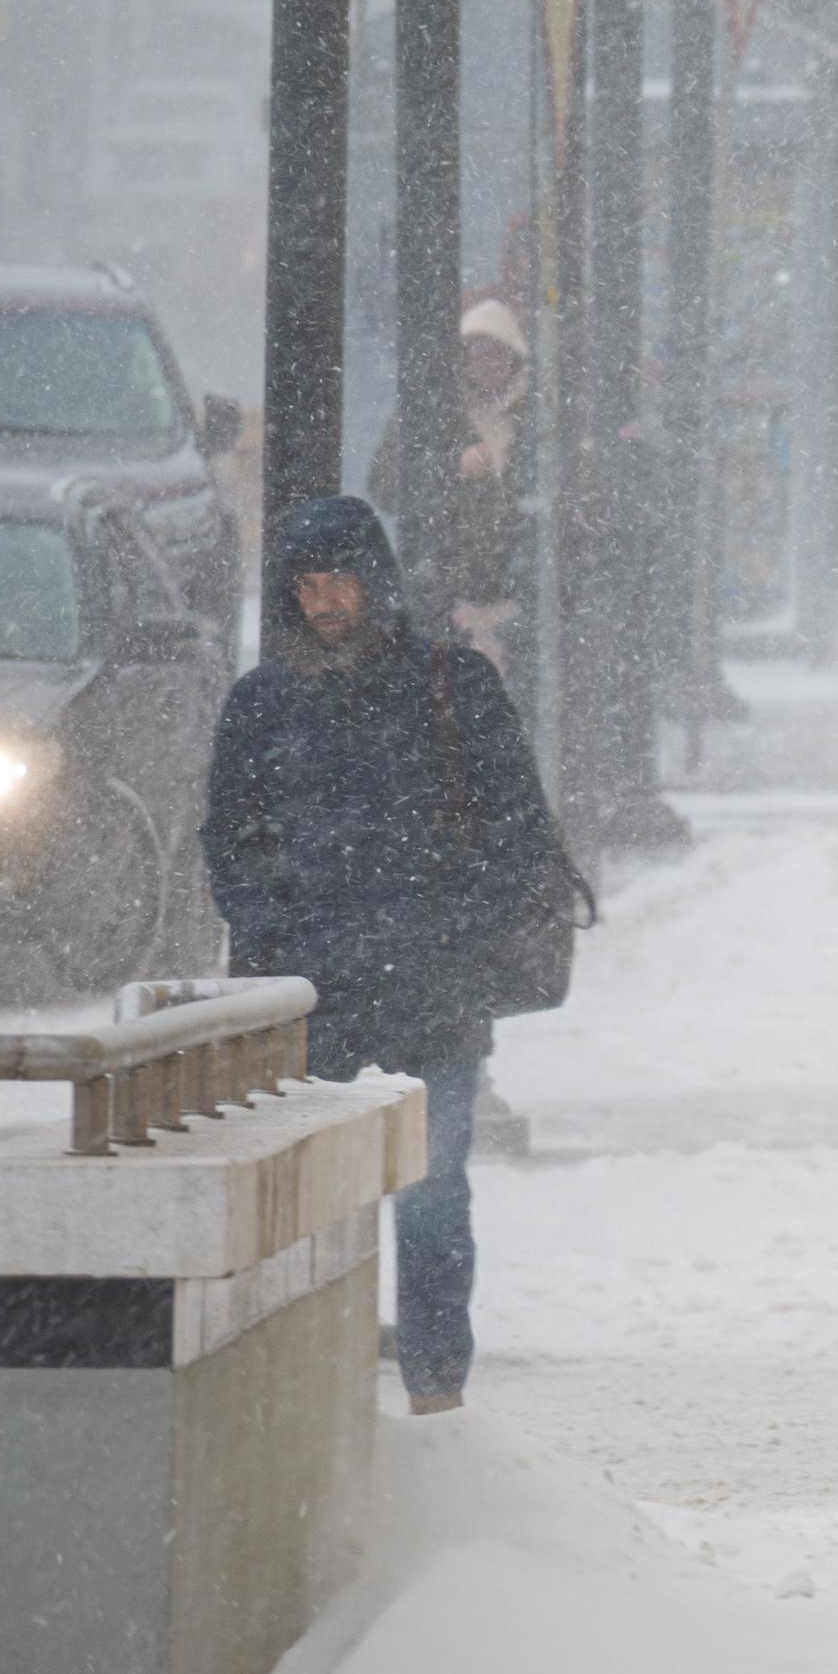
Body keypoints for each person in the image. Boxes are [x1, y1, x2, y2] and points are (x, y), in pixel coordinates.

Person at [201, 496, 564, 1418]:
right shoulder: (264, 703)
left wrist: (440, 933)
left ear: (377, 582)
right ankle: (314, 1397)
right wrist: (282, 939)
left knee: (428, 1199)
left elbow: (517, 835)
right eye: (307, 586)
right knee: (312, 1208)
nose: (324, 603)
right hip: (313, 997)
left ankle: (435, 1393)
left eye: (340, 581)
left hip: (425, 993)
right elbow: (233, 842)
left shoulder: (451, 684)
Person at [365, 297, 531, 674]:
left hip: (520, 599)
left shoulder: (538, 411)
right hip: (444, 595)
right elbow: (384, 485)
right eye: (477, 351)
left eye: (497, 351)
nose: (487, 362)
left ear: (514, 355)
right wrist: (451, 468)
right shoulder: (428, 409)